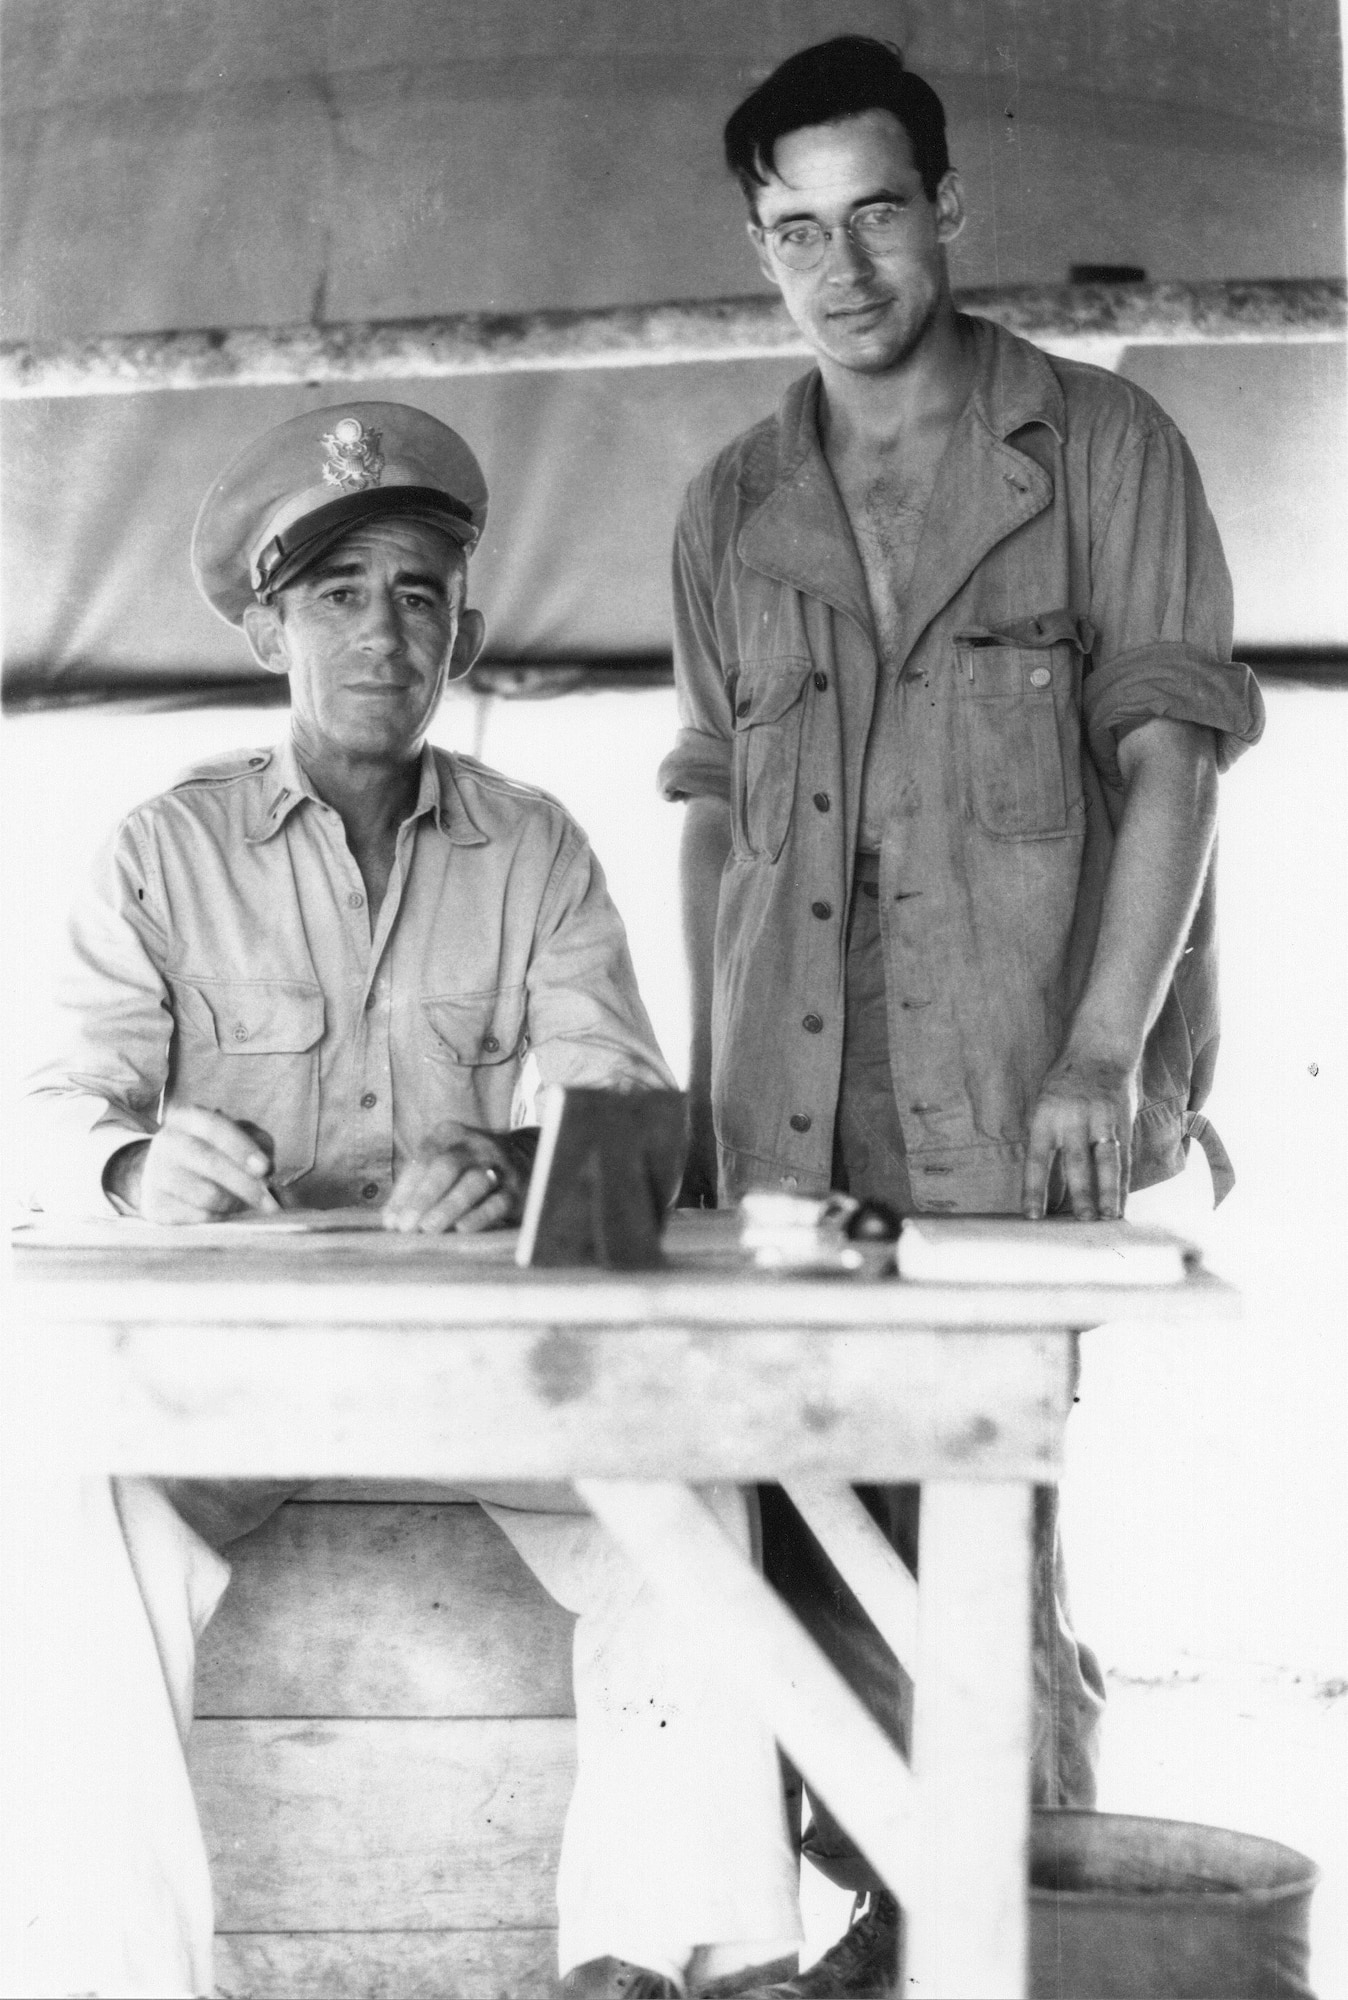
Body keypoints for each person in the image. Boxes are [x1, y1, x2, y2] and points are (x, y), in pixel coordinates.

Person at [14, 402, 803, 2000]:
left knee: (700, 1504)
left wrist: (518, 1162)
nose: (384, 631)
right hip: (235, 1399)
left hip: (482, 1391)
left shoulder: (539, 852)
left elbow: (640, 1125)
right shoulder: (160, 854)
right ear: (265, 629)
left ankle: (657, 1968)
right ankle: (115, 1978)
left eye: (421, 591)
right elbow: (48, 1114)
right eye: (337, 593)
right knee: (59, 1522)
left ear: (470, 627)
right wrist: (127, 1164)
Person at [659, 38, 1265, 1997]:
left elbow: (1167, 767)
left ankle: (1002, 1946)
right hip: (782, 1135)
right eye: (790, 233)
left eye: (873, 215)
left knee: (974, 1549)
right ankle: (861, 1932)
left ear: (947, 210)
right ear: (756, 248)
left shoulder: (1101, 450)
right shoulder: (723, 505)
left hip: (1008, 1108)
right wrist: (695, 1101)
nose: (836, 268)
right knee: (772, 1536)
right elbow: (708, 829)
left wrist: (1102, 1049)